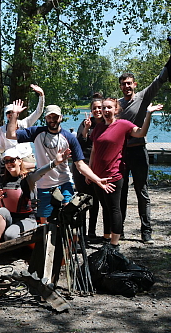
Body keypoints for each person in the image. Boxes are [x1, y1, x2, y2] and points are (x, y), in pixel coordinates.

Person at [6, 99, 114, 222]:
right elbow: (10, 135)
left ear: (61, 117)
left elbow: (80, 164)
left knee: (68, 217)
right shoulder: (36, 132)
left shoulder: (69, 138)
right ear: (45, 118)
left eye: (55, 117)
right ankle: (48, 240)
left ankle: (70, 239)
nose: (52, 120)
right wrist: (14, 115)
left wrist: (98, 180)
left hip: (64, 182)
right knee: (44, 222)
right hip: (44, 185)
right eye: (49, 117)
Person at [90, 99, 163, 249]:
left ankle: (114, 243)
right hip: (98, 176)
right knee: (105, 207)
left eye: (109, 107)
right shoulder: (98, 127)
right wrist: (89, 173)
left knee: (114, 208)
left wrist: (148, 114)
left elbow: (141, 132)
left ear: (116, 109)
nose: (106, 110)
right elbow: (94, 151)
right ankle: (106, 237)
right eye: (104, 108)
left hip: (114, 175)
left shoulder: (123, 125)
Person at [118, 68, 168, 244]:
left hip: (139, 151)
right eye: (124, 84)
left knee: (142, 192)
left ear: (134, 84)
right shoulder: (117, 105)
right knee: (120, 193)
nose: (127, 86)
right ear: (120, 86)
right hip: (121, 154)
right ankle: (119, 230)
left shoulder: (142, 97)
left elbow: (158, 82)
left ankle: (146, 232)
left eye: (129, 83)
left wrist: (169, 66)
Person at [0, 147, 71, 245]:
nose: (9, 163)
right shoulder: (2, 180)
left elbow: (41, 171)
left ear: (20, 161)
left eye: (12, 160)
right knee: (1, 211)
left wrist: (55, 162)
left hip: (27, 219)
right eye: (6, 161)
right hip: (10, 218)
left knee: (10, 235)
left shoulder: (28, 178)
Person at [73, 94, 104, 239]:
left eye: (100, 107)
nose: (97, 110)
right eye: (95, 108)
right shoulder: (86, 122)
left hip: (97, 166)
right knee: (82, 199)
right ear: (91, 110)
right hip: (82, 164)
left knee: (95, 200)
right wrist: (86, 128)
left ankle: (92, 231)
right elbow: (79, 142)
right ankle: (82, 231)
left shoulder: (106, 123)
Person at [0, 84, 45, 165]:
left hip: (26, 157)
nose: (11, 114)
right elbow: (2, 149)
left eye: (13, 112)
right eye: (8, 112)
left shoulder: (25, 123)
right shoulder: (2, 129)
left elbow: (38, 112)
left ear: (17, 113)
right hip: (11, 159)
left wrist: (41, 96)